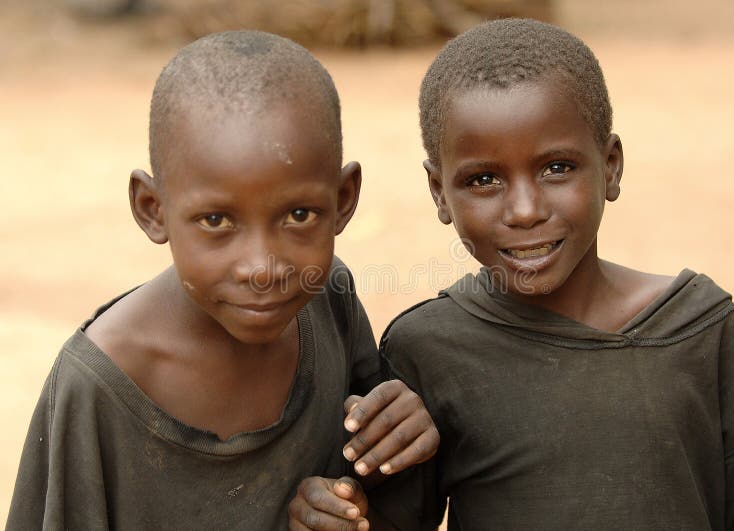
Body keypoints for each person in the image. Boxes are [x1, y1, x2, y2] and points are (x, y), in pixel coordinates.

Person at [295, 18, 734, 530]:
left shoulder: (699, 328)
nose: (525, 210)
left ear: (611, 165)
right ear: (440, 193)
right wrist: (332, 511)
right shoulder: (426, 350)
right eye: (484, 179)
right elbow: (385, 520)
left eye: (557, 167)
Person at [6, 30, 438, 530]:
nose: (261, 267)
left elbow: (386, 500)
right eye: (216, 221)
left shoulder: (327, 298)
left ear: (343, 200)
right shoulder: (98, 387)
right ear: (153, 210)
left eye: (298, 215)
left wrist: (392, 455)